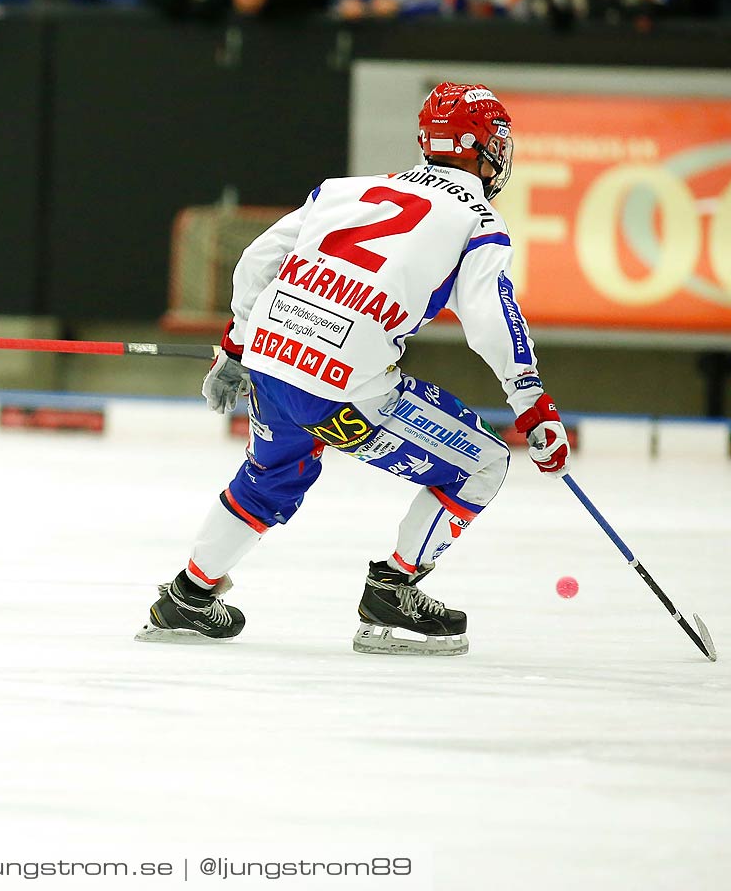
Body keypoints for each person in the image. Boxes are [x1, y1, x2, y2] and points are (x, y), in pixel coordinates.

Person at [140, 82, 569, 656]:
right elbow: (493, 318)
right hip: (343, 390)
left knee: (271, 476)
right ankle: (393, 590)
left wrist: (238, 344)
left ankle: (188, 598)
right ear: (488, 149)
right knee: (483, 465)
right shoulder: (478, 222)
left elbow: (257, 260)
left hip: (272, 364)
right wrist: (531, 401)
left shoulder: (346, 190)